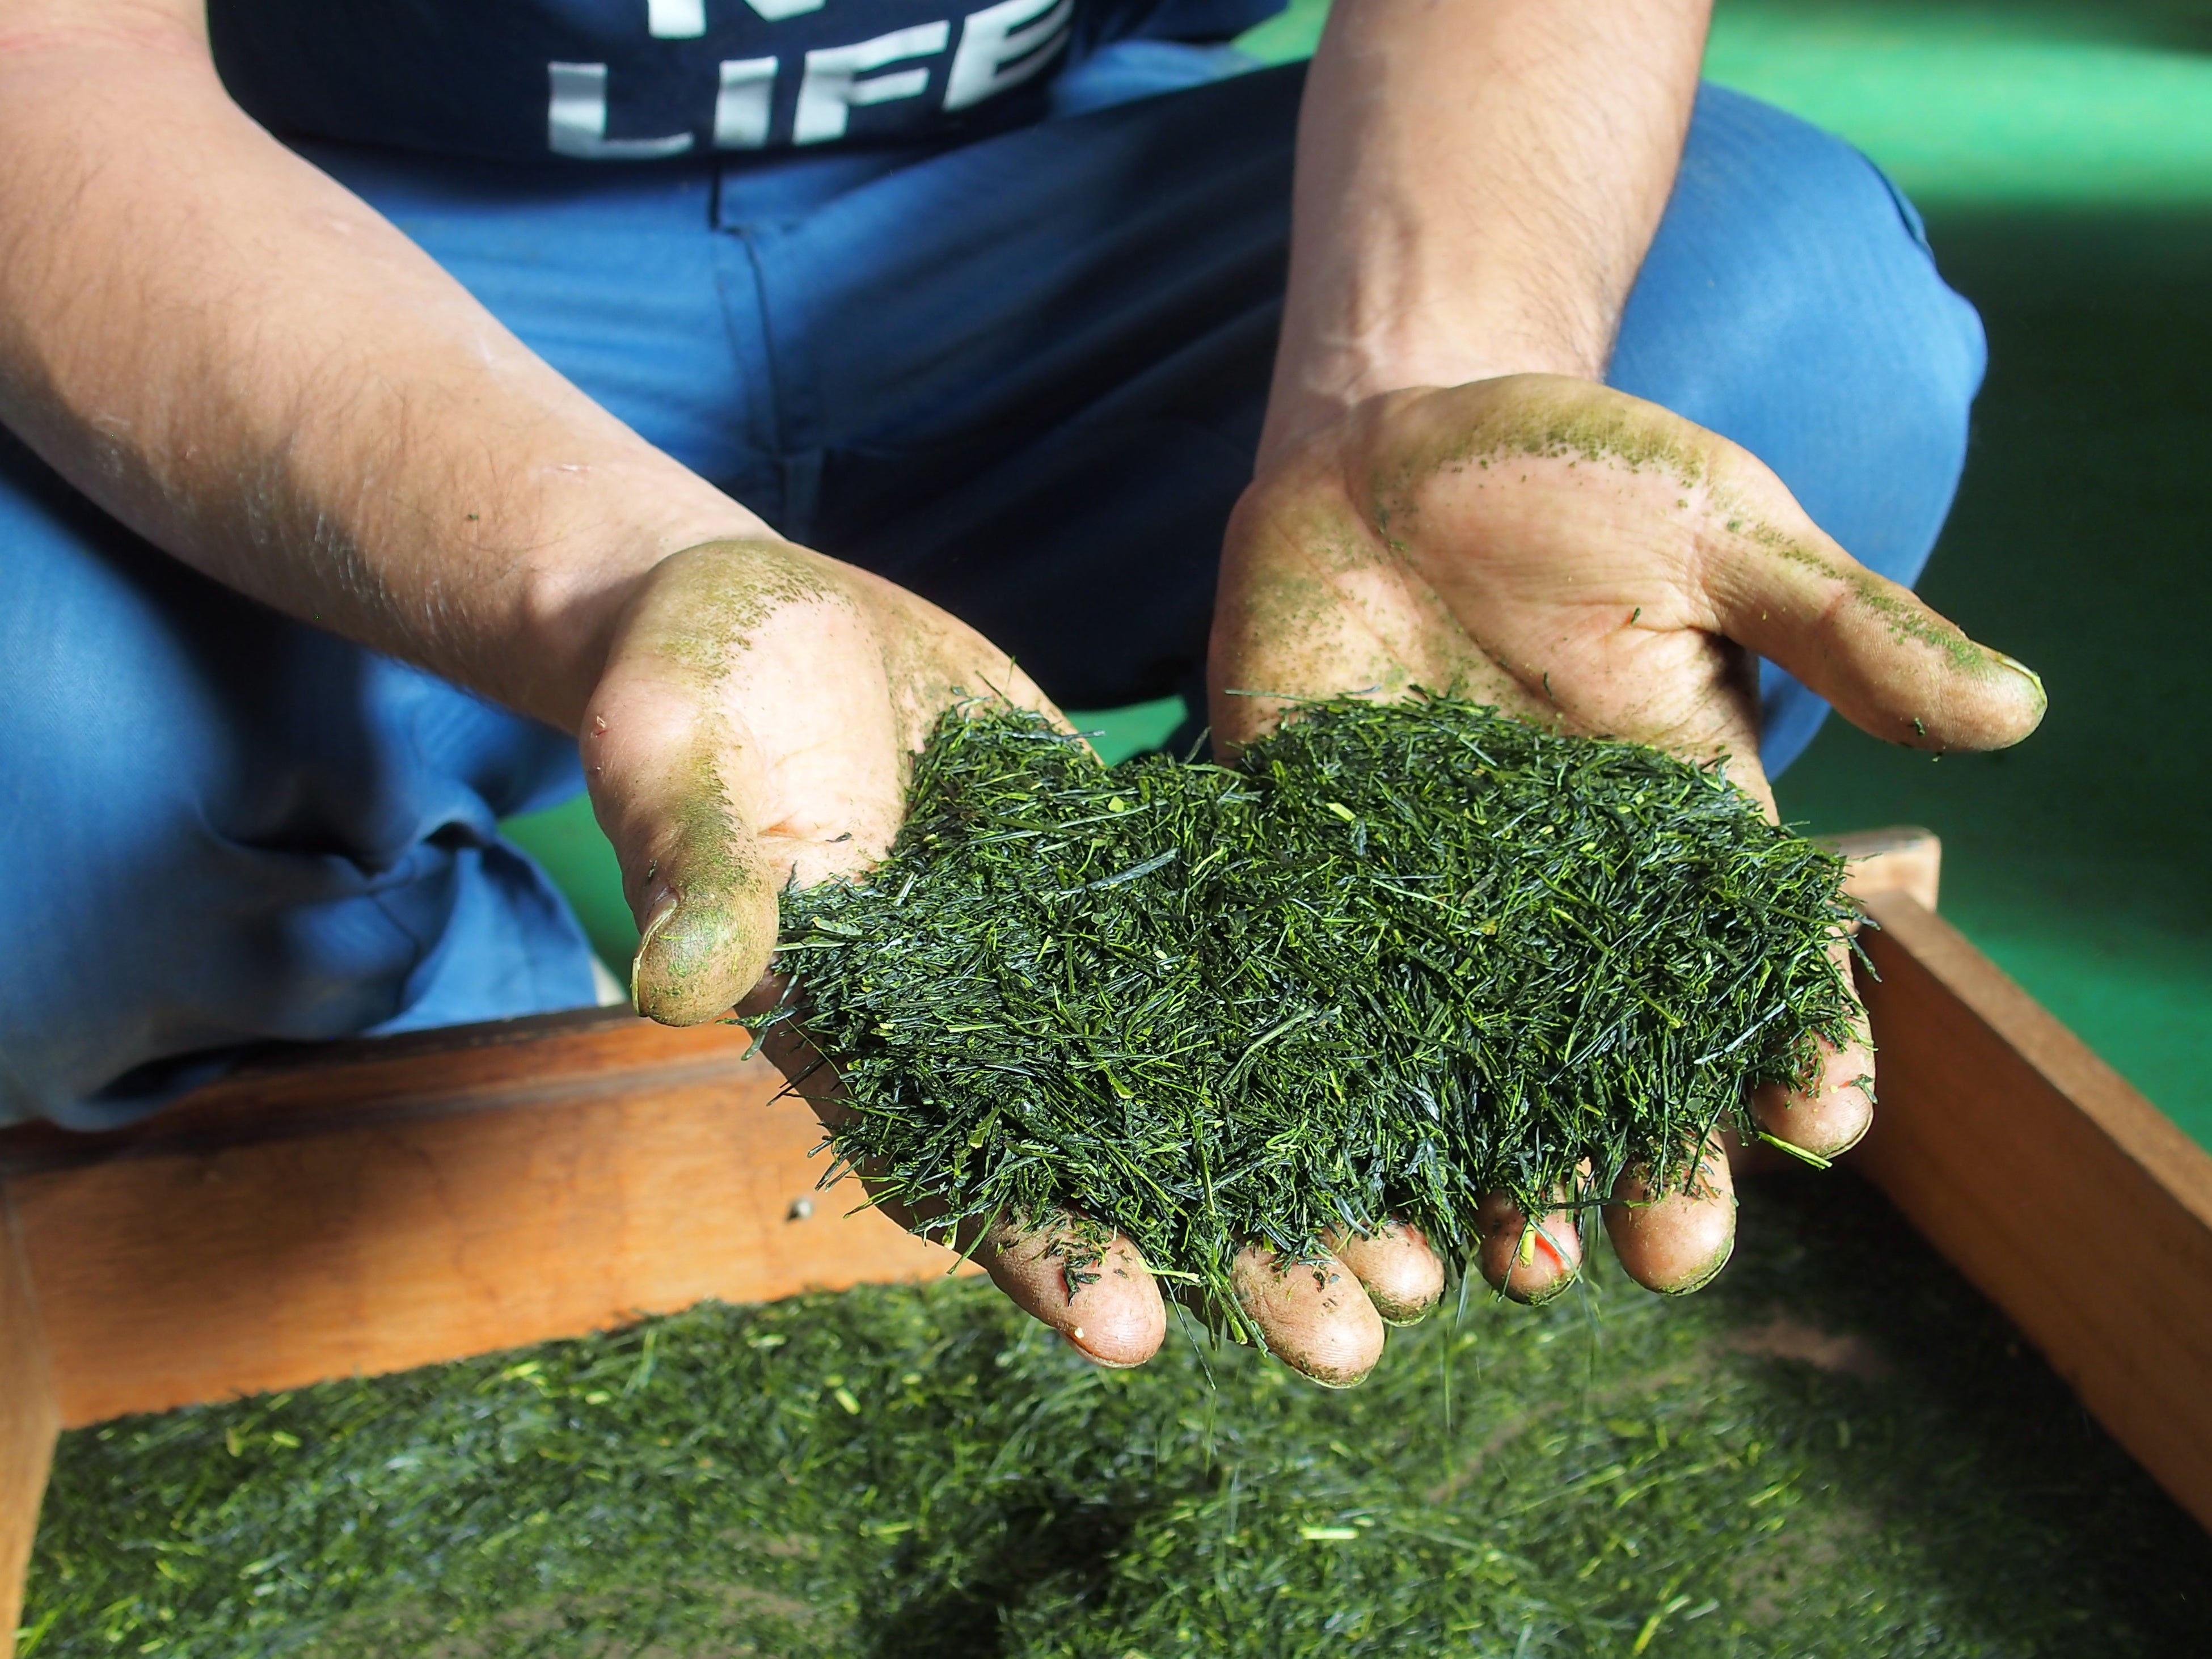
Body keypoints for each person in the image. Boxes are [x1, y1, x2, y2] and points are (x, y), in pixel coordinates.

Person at [0, 0, 2042, 1385]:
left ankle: (1191, 857)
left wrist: (1416, 377)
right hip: (304, 219)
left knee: (1799, 310)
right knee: (38, 787)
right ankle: (518, 1125)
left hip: (1062, 192)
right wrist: (619, 570)